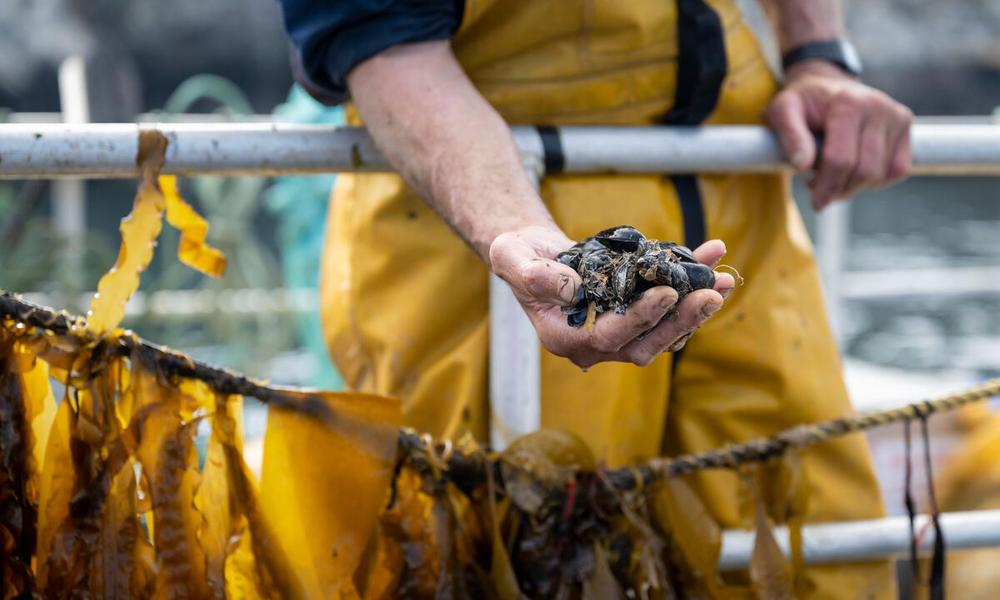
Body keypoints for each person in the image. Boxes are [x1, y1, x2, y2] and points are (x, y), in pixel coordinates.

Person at [278, 0, 912, 595]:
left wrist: (818, 57)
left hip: (743, 193)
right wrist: (512, 227)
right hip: (484, 219)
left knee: (826, 548)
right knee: (509, 556)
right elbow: (379, 36)